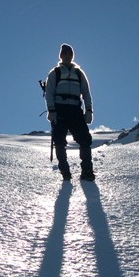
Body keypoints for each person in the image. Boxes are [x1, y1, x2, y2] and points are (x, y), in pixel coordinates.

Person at [44, 43, 95, 181]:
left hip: (75, 110)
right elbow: (49, 93)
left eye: (70, 53)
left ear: (72, 56)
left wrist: (88, 110)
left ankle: (87, 171)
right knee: (59, 141)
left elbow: (86, 93)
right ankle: (65, 171)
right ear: (61, 55)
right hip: (59, 110)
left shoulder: (79, 73)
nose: (67, 56)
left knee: (85, 140)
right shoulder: (55, 73)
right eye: (65, 53)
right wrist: (52, 110)